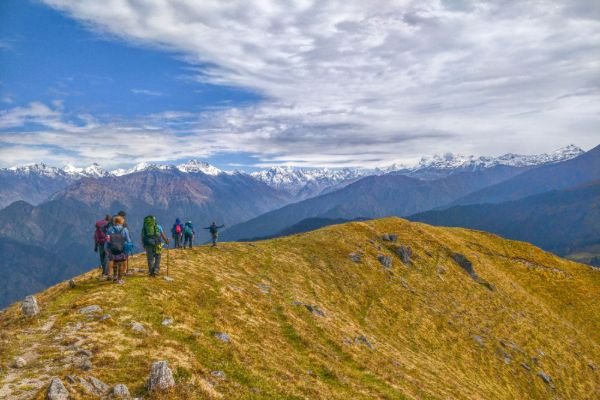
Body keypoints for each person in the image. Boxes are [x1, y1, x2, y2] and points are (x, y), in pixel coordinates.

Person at [106, 215, 132, 284]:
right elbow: (128, 240)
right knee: (120, 263)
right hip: (122, 249)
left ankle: (114, 277)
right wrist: (128, 247)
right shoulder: (124, 229)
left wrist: (108, 248)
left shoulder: (110, 229)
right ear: (121, 221)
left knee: (114, 262)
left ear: (114, 221)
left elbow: (108, 240)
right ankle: (119, 279)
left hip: (112, 248)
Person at [94, 215, 111, 279]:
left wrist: (95, 246)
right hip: (106, 243)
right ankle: (106, 272)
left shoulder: (98, 226)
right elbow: (110, 234)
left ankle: (104, 270)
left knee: (102, 257)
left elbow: (95, 236)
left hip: (100, 244)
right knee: (107, 258)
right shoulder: (108, 225)